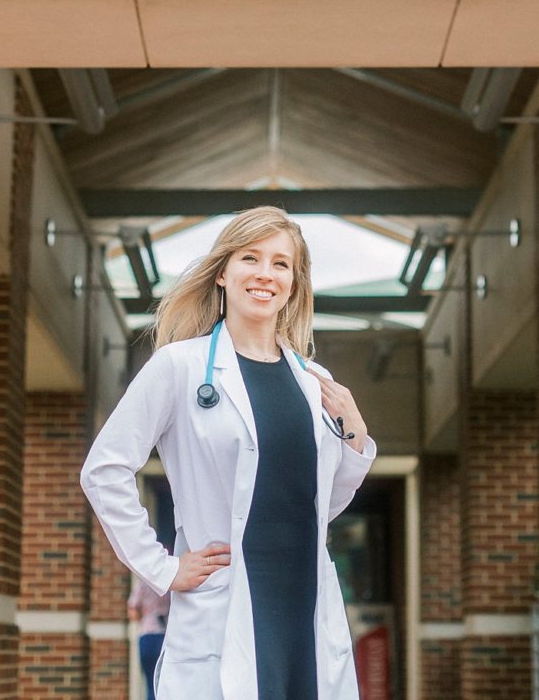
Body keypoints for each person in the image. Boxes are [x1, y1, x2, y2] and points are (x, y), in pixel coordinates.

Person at [81, 206, 376, 700]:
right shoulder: (180, 367)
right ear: (223, 272)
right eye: (250, 258)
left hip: (306, 605)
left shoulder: (316, 382)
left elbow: (320, 505)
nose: (266, 274)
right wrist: (162, 567)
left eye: (282, 264)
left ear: (294, 284)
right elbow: (104, 469)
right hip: (223, 608)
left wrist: (356, 436)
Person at [128, 572, 171, 698]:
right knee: (165, 684)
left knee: (150, 684)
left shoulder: (143, 582)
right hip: (167, 638)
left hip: (148, 637)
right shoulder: (171, 582)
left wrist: (146, 615)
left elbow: (132, 612)